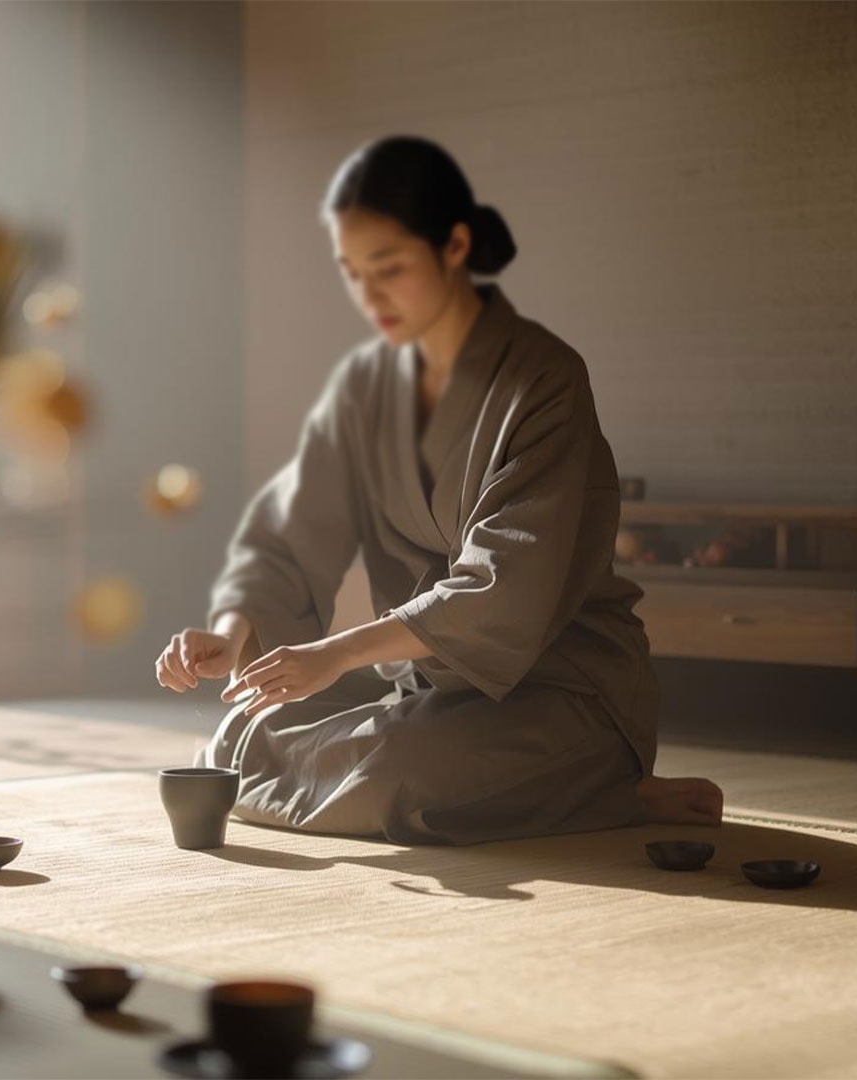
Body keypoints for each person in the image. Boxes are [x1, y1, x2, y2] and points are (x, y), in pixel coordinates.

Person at [154, 135, 723, 845]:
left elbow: (500, 589)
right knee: (241, 735)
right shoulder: (364, 386)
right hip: (431, 686)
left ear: (453, 246)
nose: (370, 297)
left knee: (393, 775)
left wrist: (334, 655)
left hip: (561, 690)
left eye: (388, 268)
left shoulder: (543, 380)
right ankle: (521, 783)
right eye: (353, 273)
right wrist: (230, 633)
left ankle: (611, 784)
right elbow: (289, 536)